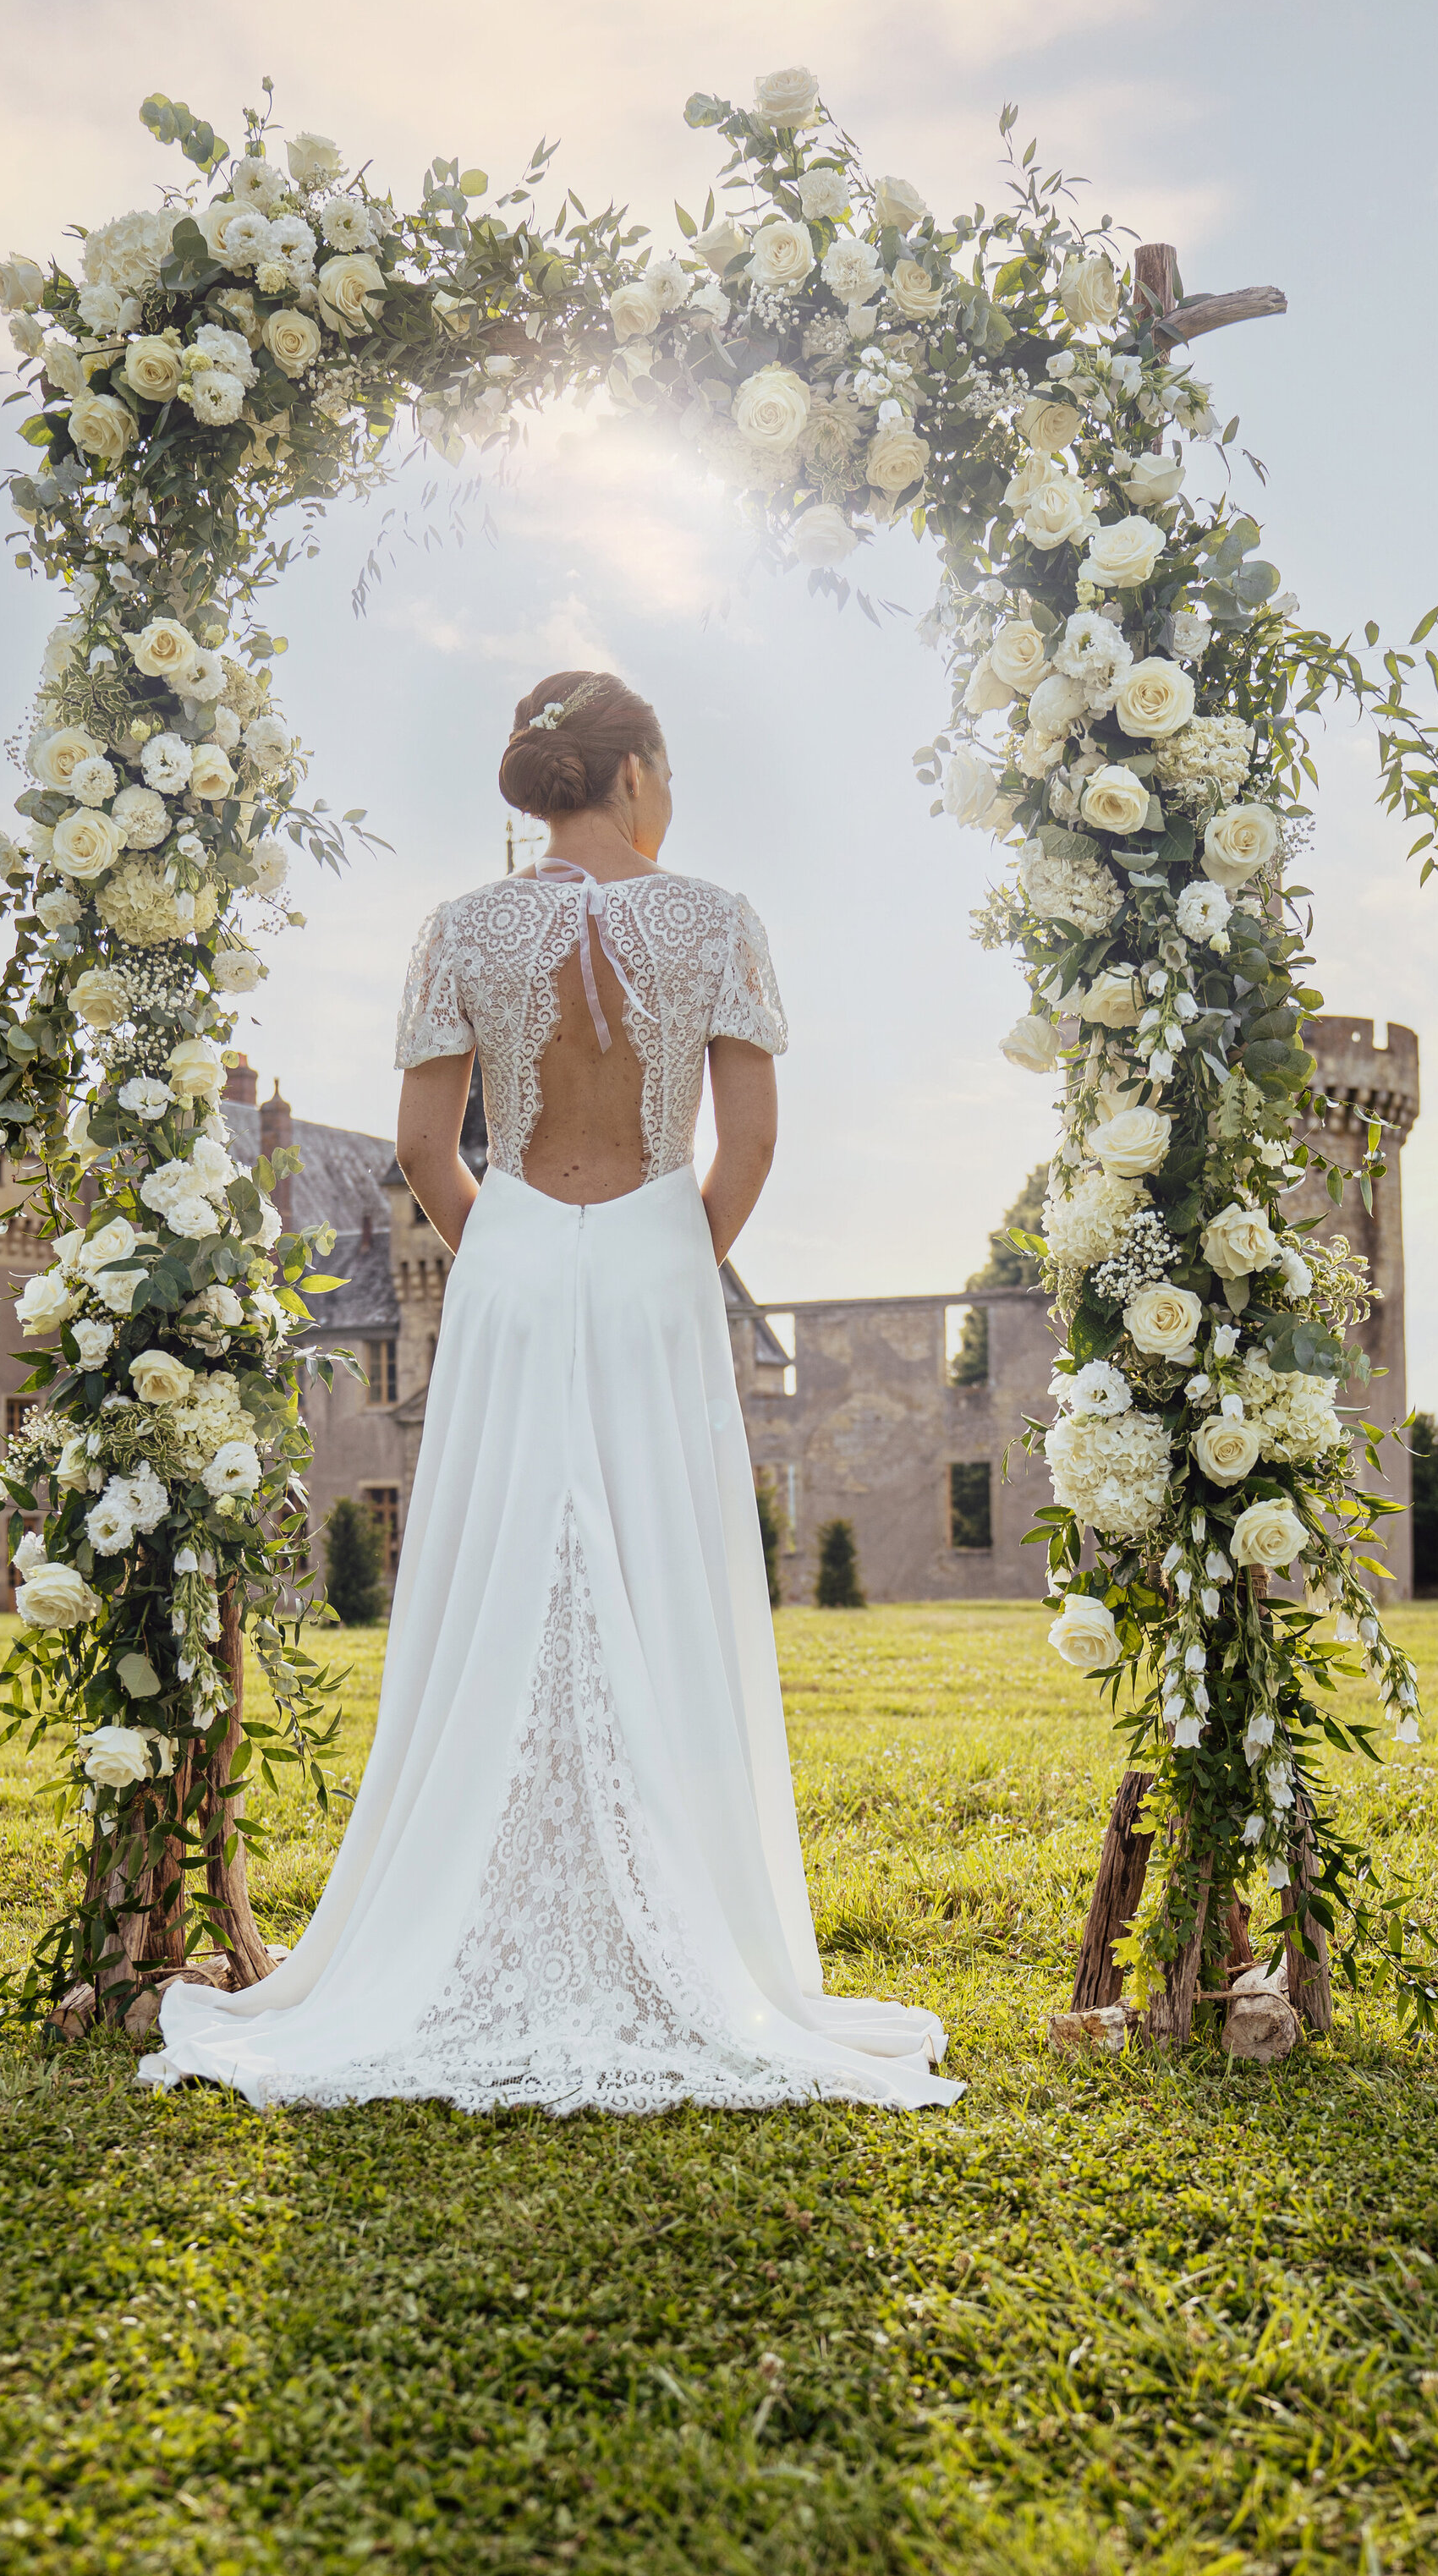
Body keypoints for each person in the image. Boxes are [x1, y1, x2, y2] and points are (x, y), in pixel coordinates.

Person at [138, 670, 961, 2115]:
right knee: (657, 1566)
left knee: (500, 1565)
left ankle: (456, 1907)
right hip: (652, 1250)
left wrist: (520, 1257)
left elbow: (421, 1147)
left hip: (511, 1261)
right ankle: (686, 1920)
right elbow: (750, 1145)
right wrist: (656, 1260)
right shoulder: (718, 919)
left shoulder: (460, 928)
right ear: (637, 771)